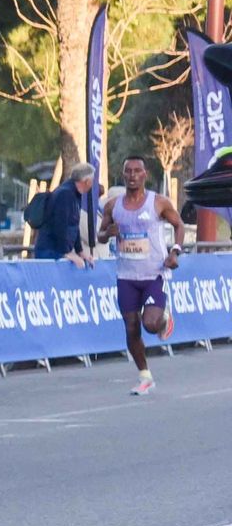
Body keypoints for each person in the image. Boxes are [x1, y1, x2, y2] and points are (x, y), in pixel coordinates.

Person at [98, 155, 185, 395]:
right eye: (128, 171)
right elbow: (100, 236)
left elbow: (179, 225)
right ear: (123, 174)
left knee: (150, 324)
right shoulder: (113, 206)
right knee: (131, 327)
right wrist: (108, 233)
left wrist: (175, 252)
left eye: (137, 171)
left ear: (145, 174)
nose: (132, 175)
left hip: (154, 274)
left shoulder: (158, 202)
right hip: (126, 276)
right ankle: (144, 376)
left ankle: (164, 318)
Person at [33, 163, 94, 267]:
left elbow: (74, 224)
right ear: (87, 181)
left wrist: (80, 251)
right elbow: (60, 224)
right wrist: (66, 253)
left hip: (57, 251)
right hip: (50, 252)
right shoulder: (65, 194)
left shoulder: (75, 194)